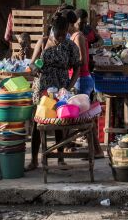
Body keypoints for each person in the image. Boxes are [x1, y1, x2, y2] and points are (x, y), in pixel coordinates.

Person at [27, 12, 81, 170]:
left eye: (64, 34)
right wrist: (34, 69)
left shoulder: (70, 45)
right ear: (53, 29)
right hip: (42, 89)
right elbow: (31, 65)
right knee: (38, 124)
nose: (61, 37)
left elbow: (77, 67)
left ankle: (60, 158)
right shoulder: (43, 42)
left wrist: (70, 86)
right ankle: (34, 160)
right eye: (59, 34)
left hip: (61, 89)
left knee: (59, 122)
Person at [70, 8, 104, 158]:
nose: (82, 24)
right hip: (83, 78)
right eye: (80, 22)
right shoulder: (77, 35)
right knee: (84, 117)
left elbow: (82, 60)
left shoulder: (78, 36)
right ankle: (94, 150)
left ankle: (96, 150)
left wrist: (67, 63)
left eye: (83, 22)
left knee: (84, 118)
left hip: (81, 79)